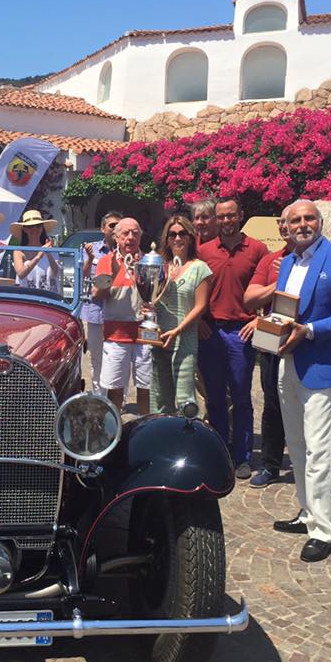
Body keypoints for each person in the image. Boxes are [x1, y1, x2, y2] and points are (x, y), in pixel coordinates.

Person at [271, 200, 331, 563]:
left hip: (322, 366)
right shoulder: (288, 262)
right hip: (288, 363)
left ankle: (323, 530)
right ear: (286, 225)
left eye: (308, 217)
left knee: (320, 451)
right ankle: (307, 511)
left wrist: (309, 330)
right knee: (296, 446)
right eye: (294, 219)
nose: (302, 224)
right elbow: (285, 311)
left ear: (320, 221)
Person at [197, 197, 269, 478]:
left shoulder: (258, 250)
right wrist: (199, 321)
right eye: (221, 216)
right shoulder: (203, 251)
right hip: (210, 331)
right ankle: (219, 452)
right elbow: (192, 290)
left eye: (230, 215)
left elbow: (271, 289)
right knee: (214, 397)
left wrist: (258, 319)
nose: (226, 220)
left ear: (241, 215)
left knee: (240, 397)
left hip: (241, 331)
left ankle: (242, 457)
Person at [243, 207, 293, 488]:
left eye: (291, 221)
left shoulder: (322, 259)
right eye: (282, 222)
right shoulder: (271, 260)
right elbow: (251, 298)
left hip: (306, 342)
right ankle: (271, 465)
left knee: (305, 406)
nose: (286, 227)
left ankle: (306, 464)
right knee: (272, 404)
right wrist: (279, 281)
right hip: (272, 339)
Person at [149, 215, 212, 413]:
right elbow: (151, 298)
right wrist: (147, 309)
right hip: (159, 339)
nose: (177, 238)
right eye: (172, 234)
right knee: (160, 400)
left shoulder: (199, 268)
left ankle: (188, 432)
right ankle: (161, 431)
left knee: (186, 401)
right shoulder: (160, 266)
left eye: (182, 233)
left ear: (190, 237)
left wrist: (177, 330)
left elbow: (200, 306)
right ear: (166, 239)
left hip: (184, 341)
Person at [92, 217, 151, 413]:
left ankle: (146, 426)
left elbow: (159, 295)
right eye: (125, 233)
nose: (130, 237)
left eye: (135, 233)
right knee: (115, 388)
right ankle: (115, 427)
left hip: (145, 334)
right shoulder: (105, 261)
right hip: (116, 336)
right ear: (116, 237)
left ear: (141, 236)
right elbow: (96, 295)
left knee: (146, 387)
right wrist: (113, 274)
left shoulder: (150, 261)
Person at [81, 211, 120, 394]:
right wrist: (89, 260)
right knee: (97, 358)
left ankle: (117, 399)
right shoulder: (92, 249)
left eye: (119, 225)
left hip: (119, 313)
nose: (116, 229)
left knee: (117, 358)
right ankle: (99, 397)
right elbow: (84, 276)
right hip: (97, 311)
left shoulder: (127, 251)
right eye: (112, 225)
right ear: (103, 228)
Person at [10, 210, 60, 293]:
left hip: (48, 296)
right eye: (30, 226)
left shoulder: (51, 250)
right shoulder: (18, 252)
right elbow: (21, 274)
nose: (35, 229)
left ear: (42, 228)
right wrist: (38, 257)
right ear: (24, 229)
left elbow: (56, 272)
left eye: (38, 226)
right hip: (26, 296)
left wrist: (48, 253)